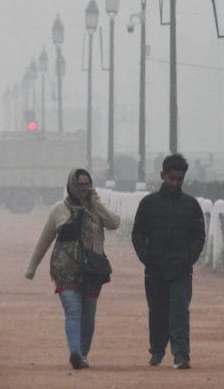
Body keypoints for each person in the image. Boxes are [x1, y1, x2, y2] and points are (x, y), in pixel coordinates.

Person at [25, 168, 120, 370]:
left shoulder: (96, 208)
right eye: (80, 184)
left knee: (88, 316)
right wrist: (32, 267)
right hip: (65, 268)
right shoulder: (58, 210)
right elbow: (45, 241)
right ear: (70, 186)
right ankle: (75, 352)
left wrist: (97, 204)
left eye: (87, 184)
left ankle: (83, 354)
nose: (84, 188)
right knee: (73, 311)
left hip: (92, 270)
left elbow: (114, 223)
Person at [131, 154, 205, 369]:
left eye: (179, 179)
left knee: (180, 310)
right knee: (157, 311)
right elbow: (138, 234)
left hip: (181, 269)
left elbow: (198, 237)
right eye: (171, 178)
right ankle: (157, 350)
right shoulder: (149, 203)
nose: (174, 183)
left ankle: (181, 354)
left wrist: (187, 258)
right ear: (163, 175)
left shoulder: (191, 206)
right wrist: (147, 258)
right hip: (154, 269)